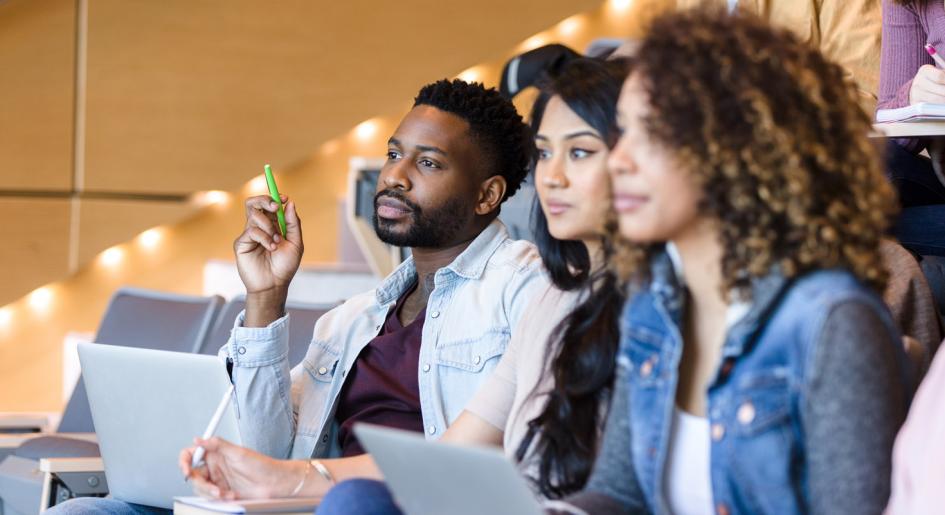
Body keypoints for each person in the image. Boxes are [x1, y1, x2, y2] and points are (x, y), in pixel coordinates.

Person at [49, 78, 546, 514]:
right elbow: (269, 450)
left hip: (409, 505)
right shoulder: (350, 321)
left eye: (429, 162)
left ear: (487, 195)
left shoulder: (524, 288)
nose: (395, 176)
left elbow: (509, 458)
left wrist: (305, 482)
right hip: (313, 502)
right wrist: (266, 294)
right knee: (93, 511)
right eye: (394, 154)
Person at [556, 9, 913, 514]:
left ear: (739, 148)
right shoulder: (651, 299)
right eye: (620, 131)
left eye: (651, 133)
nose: (617, 160)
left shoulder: (831, 323)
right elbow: (620, 491)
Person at [313, 57, 629, 514]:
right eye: (544, 153)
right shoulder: (556, 298)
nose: (552, 177)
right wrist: (267, 300)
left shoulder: (526, 284)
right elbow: (449, 456)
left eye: (579, 152)